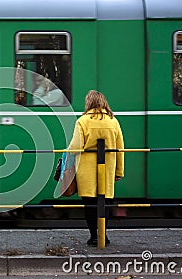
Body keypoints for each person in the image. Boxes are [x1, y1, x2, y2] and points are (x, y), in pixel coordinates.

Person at [68, 90, 124, 247]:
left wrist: (67, 153)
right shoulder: (113, 121)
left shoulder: (83, 121)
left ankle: (94, 236)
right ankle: (103, 236)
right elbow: (120, 148)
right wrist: (119, 171)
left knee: (90, 204)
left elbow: (75, 147)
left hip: (87, 172)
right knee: (103, 203)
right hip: (107, 170)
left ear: (89, 103)